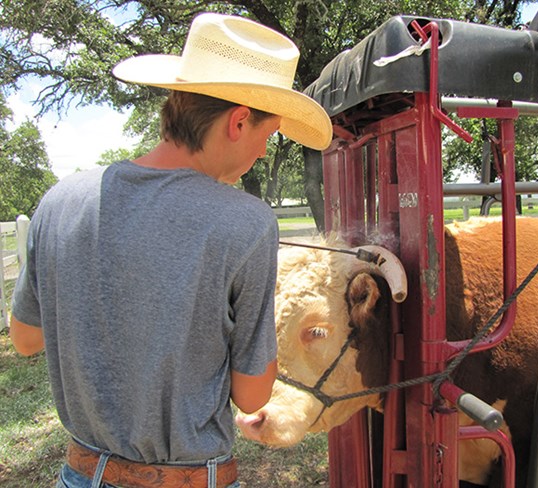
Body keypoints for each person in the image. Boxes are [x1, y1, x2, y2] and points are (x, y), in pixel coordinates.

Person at [10, 12, 331, 488]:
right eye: (268, 135)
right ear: (239, 121)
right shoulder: (246, 222)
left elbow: (25, 339)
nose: (263, 152)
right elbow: (251, 394)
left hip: (78, 474)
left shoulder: (59, 200)